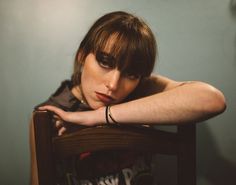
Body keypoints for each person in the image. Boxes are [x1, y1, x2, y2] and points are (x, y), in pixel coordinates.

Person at [30, 11, 226, 185]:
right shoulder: (49, 115)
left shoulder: (141, 90)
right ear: (82, 55)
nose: (113, 85)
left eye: (131, 73)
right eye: (105, 62)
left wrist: (99, 116)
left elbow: (212, 100)